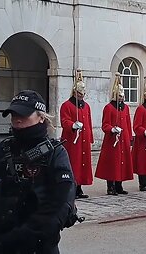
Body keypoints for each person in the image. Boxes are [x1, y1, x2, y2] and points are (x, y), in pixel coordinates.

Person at [0, 90, 77, 254]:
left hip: (39, 247)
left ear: (41, 117)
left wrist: (23, 237)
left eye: (24, 114)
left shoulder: (55, 153)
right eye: (13, 114)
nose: (17, 119)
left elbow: (61, 203)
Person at [95, 73, 133, 195]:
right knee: (112, 163)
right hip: (113, 140)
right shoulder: (109, 108)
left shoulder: (126, 108)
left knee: (122, 162)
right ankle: (110, 186)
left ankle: (119, 185)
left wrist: (129, 137)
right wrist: (112, 129)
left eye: (122, 96)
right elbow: (105, 125)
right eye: (119, 96)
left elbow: (128, 124)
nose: (121, 98)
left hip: (123, 138)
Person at [60, 69, 94, 199]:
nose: (81, 96)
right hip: (72, 139)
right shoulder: (66, 105)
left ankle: (79, 187)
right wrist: (72, 125)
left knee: (83, 164)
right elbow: (64, 121)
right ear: (75, 92)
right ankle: (72, 188)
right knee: (74, 163)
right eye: (79, 93)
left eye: (83, 94)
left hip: (83, 139)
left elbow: (89, 123)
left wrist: (90, 137)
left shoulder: (86, 106)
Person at [132, 77, 146, 191]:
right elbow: (136, 126)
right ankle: (143, 183)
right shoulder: (141, 109)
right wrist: (144, 131)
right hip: (143, 141)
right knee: (143, 163)